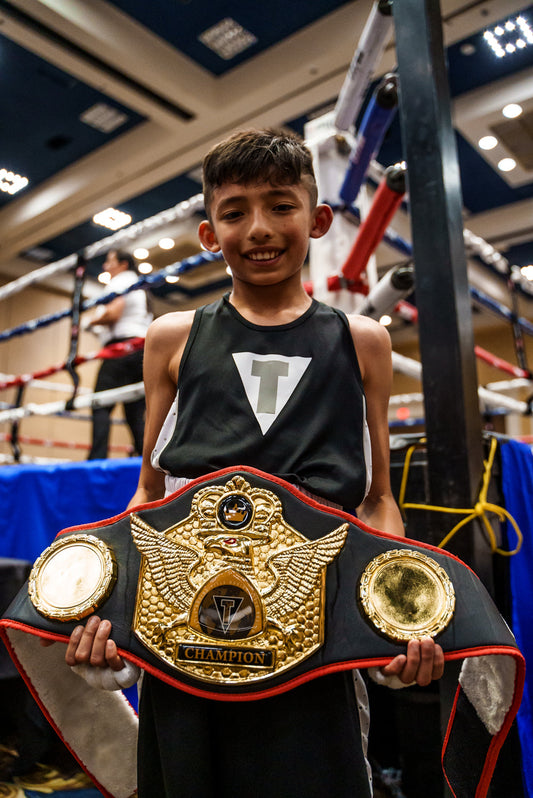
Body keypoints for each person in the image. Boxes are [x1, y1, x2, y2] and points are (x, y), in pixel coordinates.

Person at [64, 128, 444, 797]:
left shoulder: (364, 340)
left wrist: (395, 614)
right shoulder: (170, 336)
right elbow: (148, 496)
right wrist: (114, 618)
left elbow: (378, 498)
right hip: (184, 641)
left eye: (280, 206)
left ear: (317, 220)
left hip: (315, 644)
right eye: (235, 212)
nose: (259, 229)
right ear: (210, 235)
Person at [86, 249, 152, 460]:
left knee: (100, 403)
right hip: (140, 351)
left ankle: (96, 461)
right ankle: (145, 462)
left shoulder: (121, 281)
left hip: (121, 349)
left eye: (109, 261)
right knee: (133, 410)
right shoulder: (140, 287)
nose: (106, 266)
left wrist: (90, 322)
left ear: (123, 264)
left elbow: (113, 313)